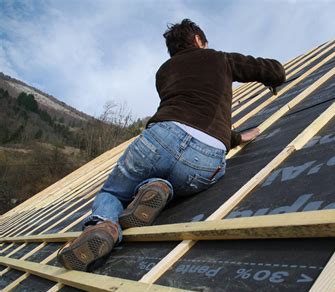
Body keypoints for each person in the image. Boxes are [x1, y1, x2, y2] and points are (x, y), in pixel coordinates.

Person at [57, 19, 286, 271]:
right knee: (180, 177)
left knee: (113, 193)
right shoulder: (220, 59)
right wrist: (271, 83)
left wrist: (235, 136)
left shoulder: (163, 73)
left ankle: (103, 226)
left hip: (160, 139)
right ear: (198, 40)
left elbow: (187, 112)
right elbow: (273, 71)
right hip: (207, 158)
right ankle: (159, 188)